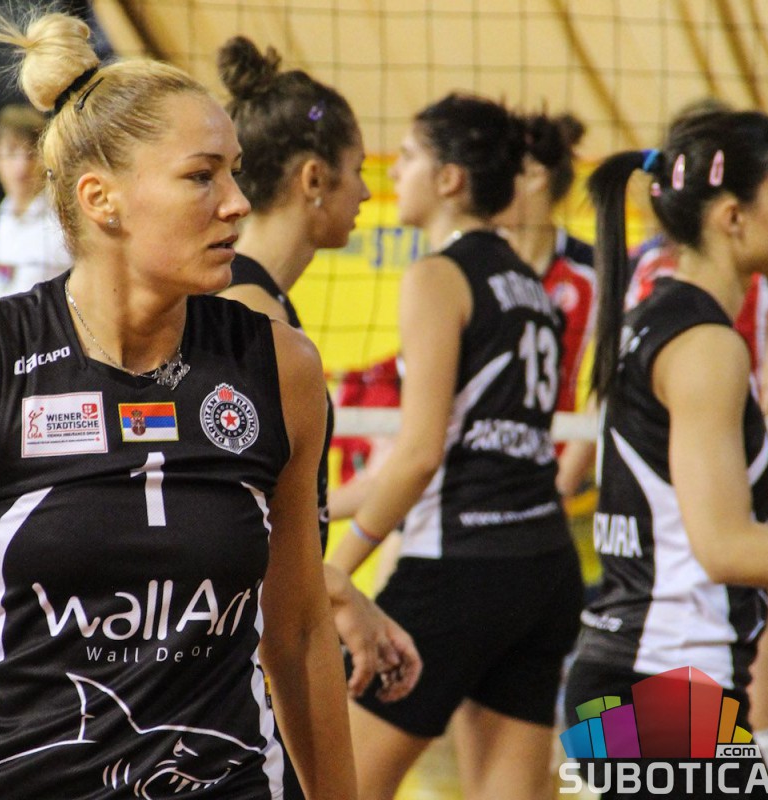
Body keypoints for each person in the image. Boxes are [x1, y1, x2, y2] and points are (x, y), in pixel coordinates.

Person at [0, 11, 356, 800]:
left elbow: (298, 635)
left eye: (234, 172)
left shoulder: (279, 368)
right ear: (103, 200)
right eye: (203, 176)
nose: (238, 203)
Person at [326, 93, 583, 800]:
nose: (392, 172)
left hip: (458, 570)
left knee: (334, 788)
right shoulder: (530, 285)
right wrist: (321, 506)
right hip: (542, 567)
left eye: (408, 156)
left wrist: (338, 568)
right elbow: (456, 447)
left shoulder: (437, 276)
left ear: (449, 179)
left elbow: (420, 455)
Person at [214, 34, 421, 798]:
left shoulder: (265, 304)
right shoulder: (247, 315)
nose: (366, 192)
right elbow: (235, 520)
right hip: (235, 669)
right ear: (312, 179)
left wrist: (337, 589)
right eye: (357, 170)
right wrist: (332, 595)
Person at [565, 107, 768, 798]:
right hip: (657, 689)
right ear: (732, 217)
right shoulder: (705, 344)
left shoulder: (659, 318)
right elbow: (726, 547)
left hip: (634, 686)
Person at [494, 110, 597, 498]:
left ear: (535, 176)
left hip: (559, 470)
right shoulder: (474, 263)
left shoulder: (594, 271)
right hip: (479, 475)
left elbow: (607, 386)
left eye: (498, 170)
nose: (485, 182)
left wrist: (562, 483)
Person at [0, 102, 70, 297]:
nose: (22, 165)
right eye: (12, 151)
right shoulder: (3, 215)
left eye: (32, 153)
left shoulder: (64, 216)